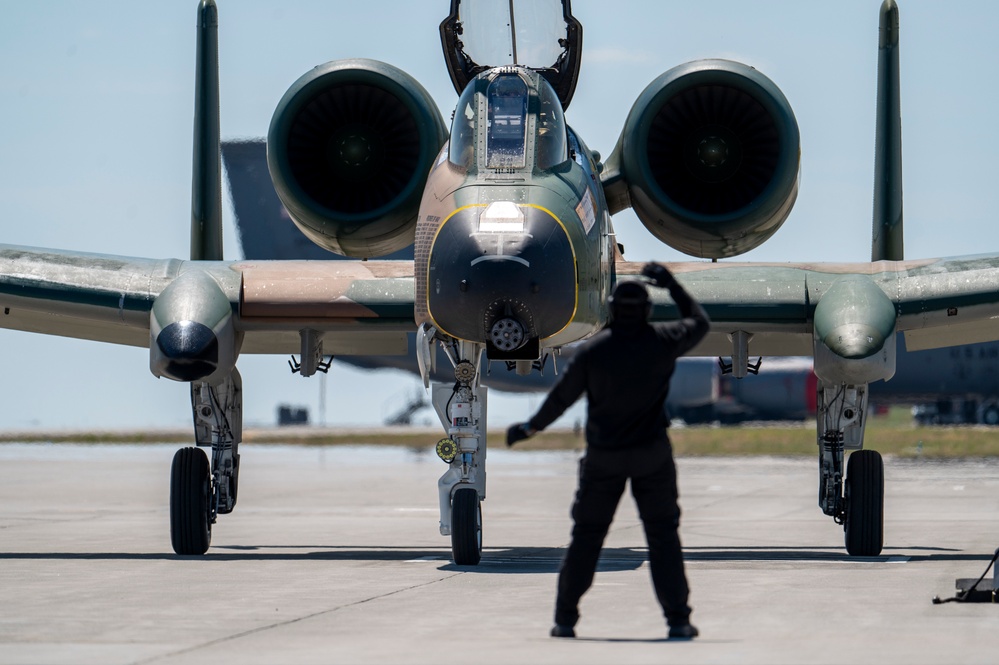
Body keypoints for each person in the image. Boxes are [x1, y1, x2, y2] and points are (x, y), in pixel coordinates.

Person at [506, 262, 709, 640]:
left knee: (587, 537)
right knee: (663, 538)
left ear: (611, 310)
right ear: (647, 311)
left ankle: (565, 619)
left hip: (604, 459)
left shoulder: (593, 353)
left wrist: (530, 428)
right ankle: (678, 620)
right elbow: (699, 322)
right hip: (652, 457)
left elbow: (561, 399)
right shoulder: (662, 342)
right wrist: (671, 284)